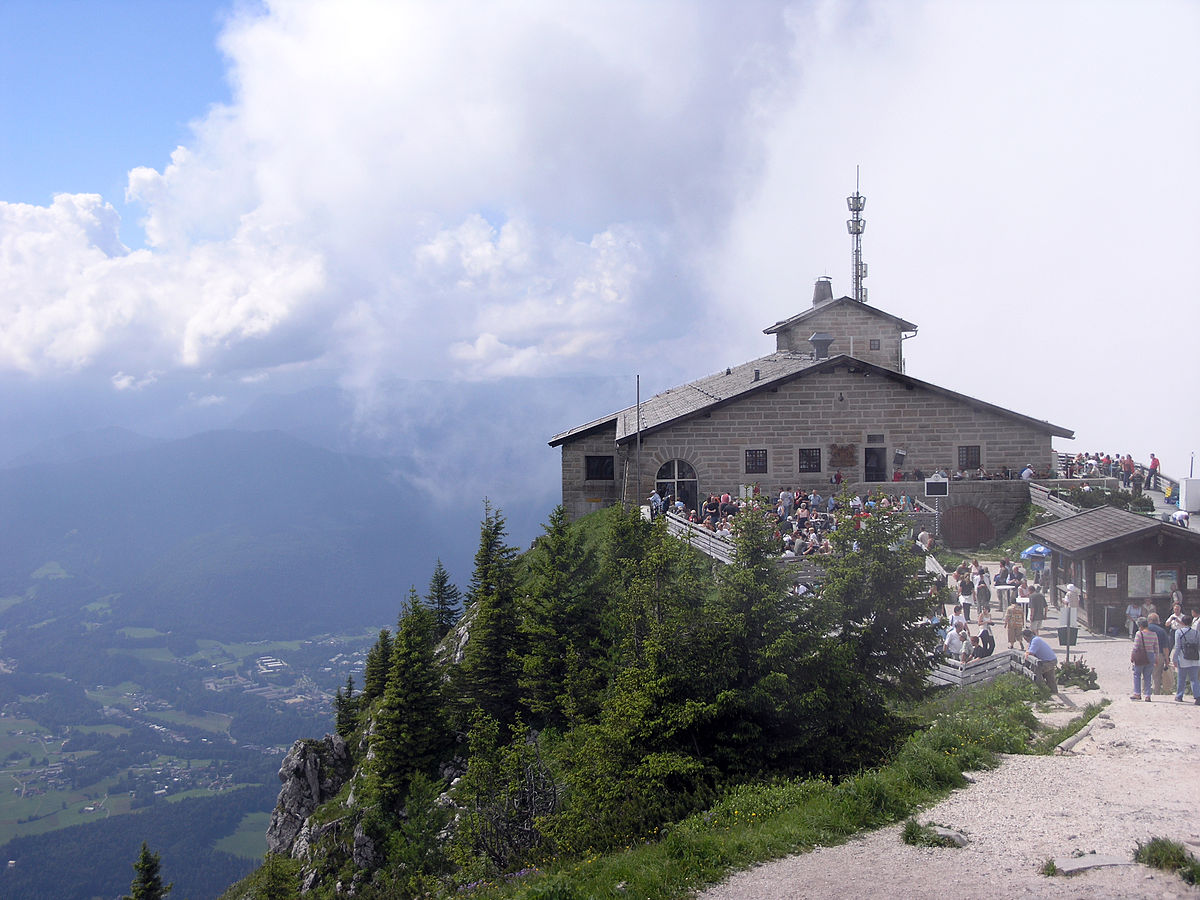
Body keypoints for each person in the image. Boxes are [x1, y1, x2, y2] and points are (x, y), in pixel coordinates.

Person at [1172, 614, 1200, 704]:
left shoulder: (1179, 632)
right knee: (1194, 679)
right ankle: (1197, 696)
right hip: (1195, 658)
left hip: (1183, 657)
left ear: (1183, 622)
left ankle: (1179, 695)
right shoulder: (1196, 632)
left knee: (1181, 678)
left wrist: (1174, 658)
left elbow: (1177, 647)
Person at [1131, 617, 1159, 701]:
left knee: (1137, 674)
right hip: (1151, 655)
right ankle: (1148, 695)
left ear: (1140, 626)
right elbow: (1156, 647)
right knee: (1148, 676)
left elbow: (1135, 647)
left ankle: (1137, 693)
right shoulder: (1154, 634)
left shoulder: (1139, 634)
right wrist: (1156, 658)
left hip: (1141, 655)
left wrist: (1132, 656)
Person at [1023, 628, 1058, 693]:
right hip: (1051, 659)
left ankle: (1041, 689)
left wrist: (1026, 654)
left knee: (1037, 671)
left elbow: (1031, 652)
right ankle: (1053, 691)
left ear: (1025, 637)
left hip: (1049, 661)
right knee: (1050, 676)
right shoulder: (1035, 639)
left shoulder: (1035, 641)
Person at [1148, 613, 1171, 695]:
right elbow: (1165, 647)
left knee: (1145, 674)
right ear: (1157, 621)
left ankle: (1145, 692)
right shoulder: (1162, 631)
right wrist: (1167, 659)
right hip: (1159, 655)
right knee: (1157, 675)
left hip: (1145, 654)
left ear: (1149, 620)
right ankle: (1156, 693)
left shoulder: (1143, 629)